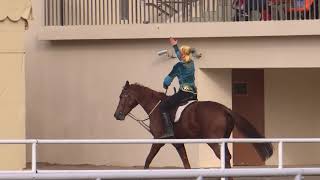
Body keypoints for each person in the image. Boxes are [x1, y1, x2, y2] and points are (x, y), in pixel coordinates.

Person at [159, 37, 198, 139]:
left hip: (184, 93)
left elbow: (168, 79)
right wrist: (175, 46)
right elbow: (180, 56)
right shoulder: (192, 63)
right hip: (193, 93)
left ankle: (169, 130)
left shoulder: (178, 66)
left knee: (163, 106)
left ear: (183, 54)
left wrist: (165, 85)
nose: (179, 55)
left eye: (181, 53)